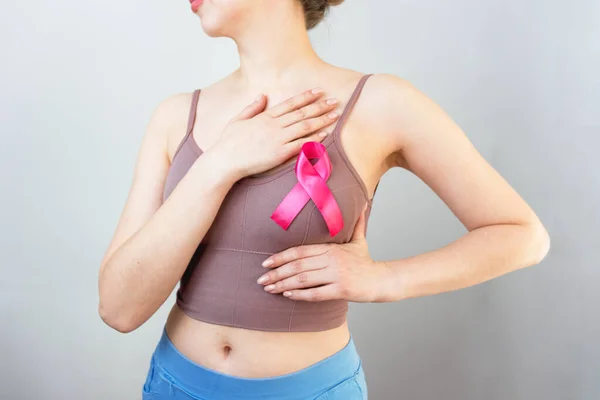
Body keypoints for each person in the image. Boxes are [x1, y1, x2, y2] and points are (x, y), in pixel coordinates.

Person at [97, 1, 551, 399]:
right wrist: (220, 164)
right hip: (175, 386)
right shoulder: (174, 117)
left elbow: (522, 235)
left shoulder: (380, 103)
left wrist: (384, 280)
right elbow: (118, 309)